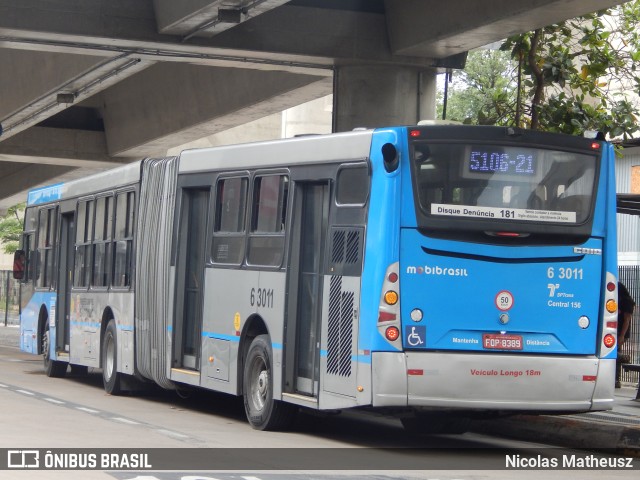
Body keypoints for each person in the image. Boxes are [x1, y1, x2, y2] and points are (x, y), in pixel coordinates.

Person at [616, 281, 636, 388]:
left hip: (621, 332)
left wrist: (622, 336)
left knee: (616, 352)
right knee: (614, 352)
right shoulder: (616, 300)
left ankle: (616, 379)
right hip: (614, 330)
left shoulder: (627, 302)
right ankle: (615, 378)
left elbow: (627, 320)